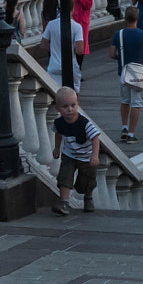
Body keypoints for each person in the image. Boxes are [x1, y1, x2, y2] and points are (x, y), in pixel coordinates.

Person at [48, 87, 102, 216]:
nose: (70, 109)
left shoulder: (84, 123)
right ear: (58, 108)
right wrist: (57, 148)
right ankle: (64, 203)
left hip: (86, 156)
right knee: (64, 177)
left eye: (73, 105)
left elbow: (95, 138)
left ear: (78, 104)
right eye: (65, 106)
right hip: (69, 155)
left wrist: (94, 155)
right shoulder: (59, 123)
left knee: (87, 180)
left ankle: (88, 198)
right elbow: (58, 133)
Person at [113, 5, 143, 142]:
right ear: (137, 18)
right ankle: (131, 134)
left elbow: (112, 54)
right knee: (136, 103)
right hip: (138, 74)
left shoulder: (118, 34)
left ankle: (124, 126)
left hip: (123, 72)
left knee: (125, 101)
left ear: (125, 18)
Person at [41, 0, 85, 91]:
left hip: (54, 65)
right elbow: (79, 50)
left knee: (55, 94)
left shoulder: (51, 24)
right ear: (73, 9)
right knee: (73, 95)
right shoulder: (77, 27)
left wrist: (53, 48)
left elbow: (43, 45)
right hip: (71, 65)